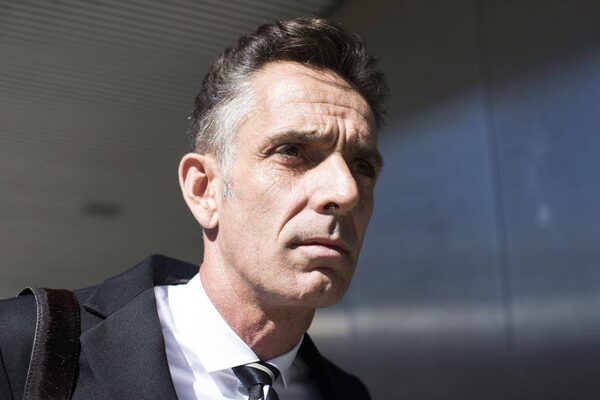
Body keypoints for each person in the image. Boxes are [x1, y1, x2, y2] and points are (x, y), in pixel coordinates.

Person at [0, 16, 387, 400]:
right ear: (204, 189)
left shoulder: (350, 394)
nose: (346, 190)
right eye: (292, 151)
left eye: (362, 166)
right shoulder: (21, 346)